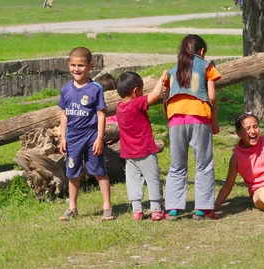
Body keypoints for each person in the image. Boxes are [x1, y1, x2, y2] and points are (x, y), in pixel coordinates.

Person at [163, 34, 220, 221]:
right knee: (203, 164)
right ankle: (202, 208)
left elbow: (166, 98)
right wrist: (214, 120)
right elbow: (211, 97)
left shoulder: (172, 70)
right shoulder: (206, 66)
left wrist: (170, 119)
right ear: (201, 51)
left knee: (177, 165)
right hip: (199, 116)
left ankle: (172, 207)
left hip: (175, 118)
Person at [58, 47, 114, 221]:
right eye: (73, 65)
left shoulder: (95, 89)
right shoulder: (66, 89)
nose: (77, 69)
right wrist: (63, 137)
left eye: (81, 65)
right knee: (73, 172)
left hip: (91, 137)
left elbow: (101, 114)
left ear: (90, 66)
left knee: (99, 171)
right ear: (68, 65)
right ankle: (72, 208)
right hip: (73, 138)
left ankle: (107, 208)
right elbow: (63, 114)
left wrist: (99, 138)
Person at [116, 70, 168, 221]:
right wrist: (162, 76)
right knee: (153, 180)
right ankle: (156, 210)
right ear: (135, 91)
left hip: (128, 154)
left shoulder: (120, 107)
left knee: (133, 181)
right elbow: (156, 94)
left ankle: (137, 210)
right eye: (142, 89)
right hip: (145, 151)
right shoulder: (136, 103)